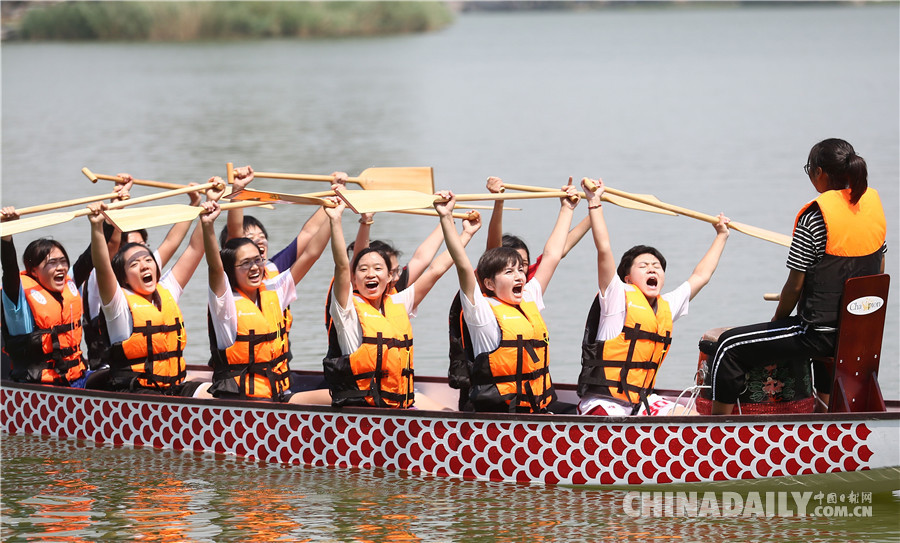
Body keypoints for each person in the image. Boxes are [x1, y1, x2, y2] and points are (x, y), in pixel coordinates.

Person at [709, 138, 887, 415]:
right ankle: (826, 414)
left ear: (819, 172)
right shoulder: (871, 208)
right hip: (861, 333)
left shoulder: (814, 217)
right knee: (823, 345)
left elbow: (794, 286)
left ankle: (717, 431)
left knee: (728, 346)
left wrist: (777, 320)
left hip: (818, 335)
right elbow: (878, 271)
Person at [577, 177, 730, 417]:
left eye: (657, 266)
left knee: (692, 419)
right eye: (644, 266)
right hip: (605, 402)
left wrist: (721, 235)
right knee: (617, 426)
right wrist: (594, 203)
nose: (652, 269)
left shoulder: (666, 305)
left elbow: (701, 276)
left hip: (641, 401)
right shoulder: (616, 295)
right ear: (627, 278)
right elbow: (604, 249)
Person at [324, 189, 481, 409]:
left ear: (390, 276)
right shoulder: (346, 310)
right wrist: (336, 220)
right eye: (363, 269)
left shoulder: (398, 302)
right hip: (361, 412)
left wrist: (466, 234)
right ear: (354, 279)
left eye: (378, 268)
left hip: (398, 409)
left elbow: (435, 270)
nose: (370, 274)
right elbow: (341, 265)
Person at [447, 176, 590, 409]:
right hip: (493, 402)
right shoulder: (481, 305)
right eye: (509, 269)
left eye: (521, 268)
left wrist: (576, 208)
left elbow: (554, 254)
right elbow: (472, 259)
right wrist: (496, 202)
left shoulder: (527, 295)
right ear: (489, 281)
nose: (519, 275)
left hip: (532, 401)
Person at [199, 192, 332, 403]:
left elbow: (311, 253)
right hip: (241, 399)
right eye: (245, 263)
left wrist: (334, 217)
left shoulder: (274, 291)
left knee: (336, 396)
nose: (254, 267)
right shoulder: (224, 304)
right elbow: (215, 267)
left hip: (277, 394)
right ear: (231, 270)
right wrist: (208, 226)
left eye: (258, 260)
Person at [86, 182, 213, 395]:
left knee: (213, 393)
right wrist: (97, 227)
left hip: (174, 386)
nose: (144, 265)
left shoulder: (167, 289)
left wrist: (207, 208)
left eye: (147, 259)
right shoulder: (118, 304)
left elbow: (195, 248)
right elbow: (102, 266)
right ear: (123, 277)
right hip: (137, 392)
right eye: (134, 264)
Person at [1, 208, 87, 386]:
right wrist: (6, 234)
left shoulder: (68, 283)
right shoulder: (18, 297)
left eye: (63, 261)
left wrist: (102, 222)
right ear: (33, 271)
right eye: (52, 263)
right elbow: (9, 269)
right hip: (38, 386)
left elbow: (89, 259)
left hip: (75, 378)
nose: (61, 267)